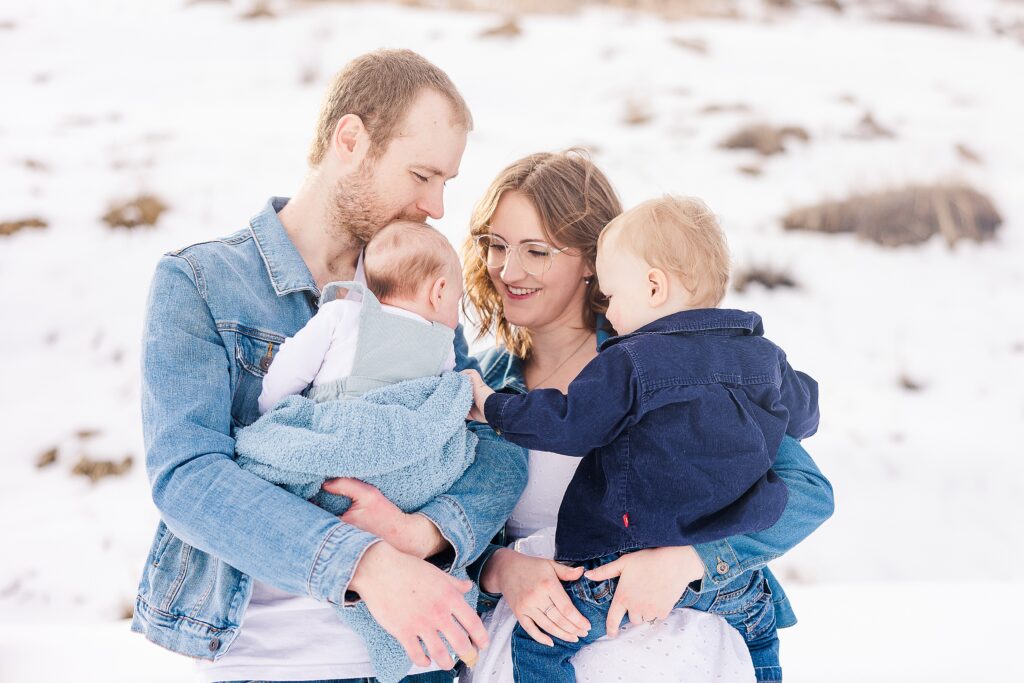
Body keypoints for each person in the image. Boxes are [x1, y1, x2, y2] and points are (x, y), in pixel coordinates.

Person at [130, 49, 528, 683]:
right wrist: (364, 562)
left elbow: (484, 445)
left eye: (447, 182)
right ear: (351, 140)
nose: (437, 206)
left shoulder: (418, 285)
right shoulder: (203, 283)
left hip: (422, 658)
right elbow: (188, 477)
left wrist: (426, 534)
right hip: (272, 663)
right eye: (422, 175)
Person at [458, 150, 835, 683]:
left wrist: (691, 561)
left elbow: (808, 492)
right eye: (495, 246)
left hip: (674, 652)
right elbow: (446, 528)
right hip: (528, 650)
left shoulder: (677, 367)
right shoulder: (484, 383)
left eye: (536, 251)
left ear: (592, 260)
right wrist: (498, 569)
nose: (507, 269)